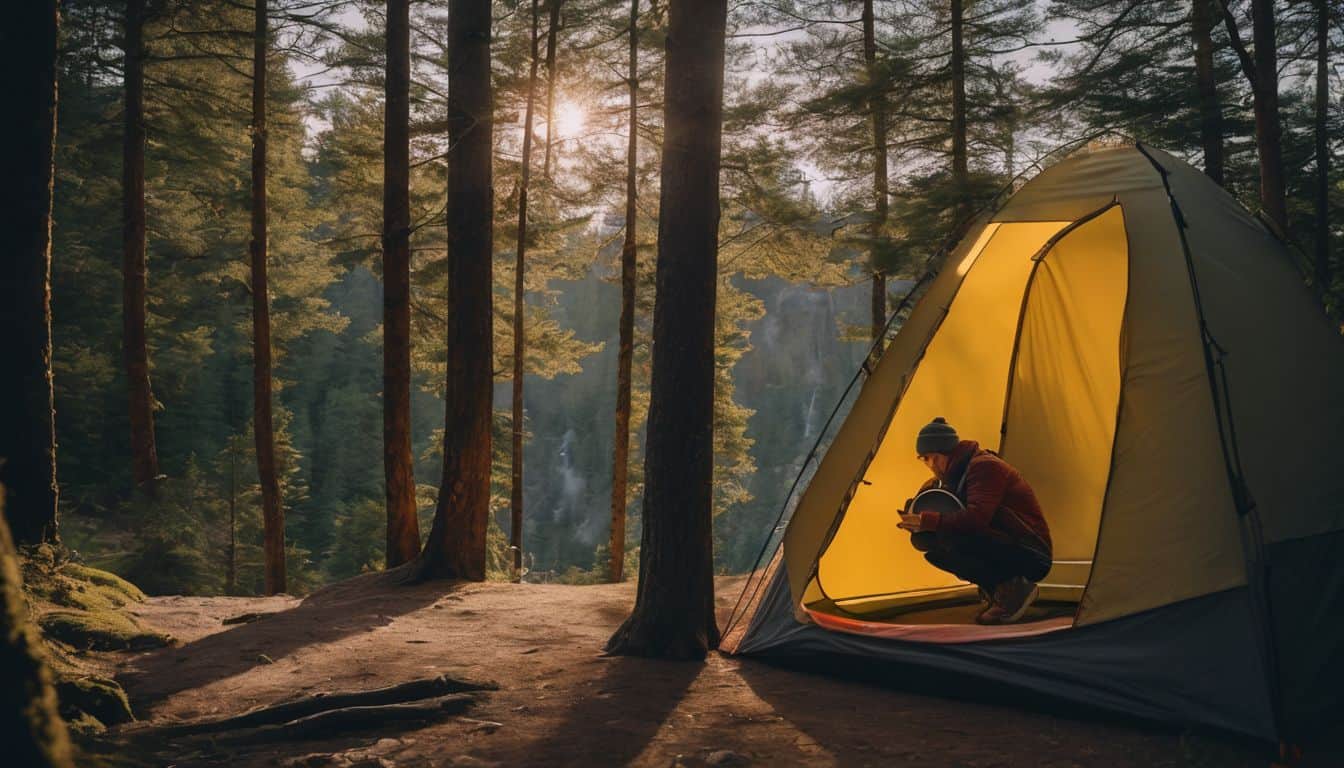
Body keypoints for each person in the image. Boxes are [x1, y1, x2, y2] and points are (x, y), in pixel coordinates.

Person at [897, 417, 1052, 625]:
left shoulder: (985, 467)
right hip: (1001, 542)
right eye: (925, 459)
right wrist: (916, 522)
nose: (932, 465)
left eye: (936, 457)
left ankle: (1016, 589)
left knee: (958, 540)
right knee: (932, 548)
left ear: (950, 451)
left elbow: (977, 519)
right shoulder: (940, 481)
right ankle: (999, 590)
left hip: (1032, 552)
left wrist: (928, 521)